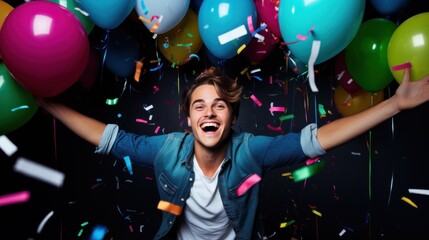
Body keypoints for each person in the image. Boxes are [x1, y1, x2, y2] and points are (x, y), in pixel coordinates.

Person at [38, 66, 429, 240]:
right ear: (188, 121)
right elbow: (110, 138)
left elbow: (316, 140)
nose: (209, 111)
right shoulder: (166, 149)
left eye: (219, 105)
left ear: (232, 117)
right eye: (199, 106)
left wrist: (392, 106)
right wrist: (45, 101)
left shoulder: (250, 151)